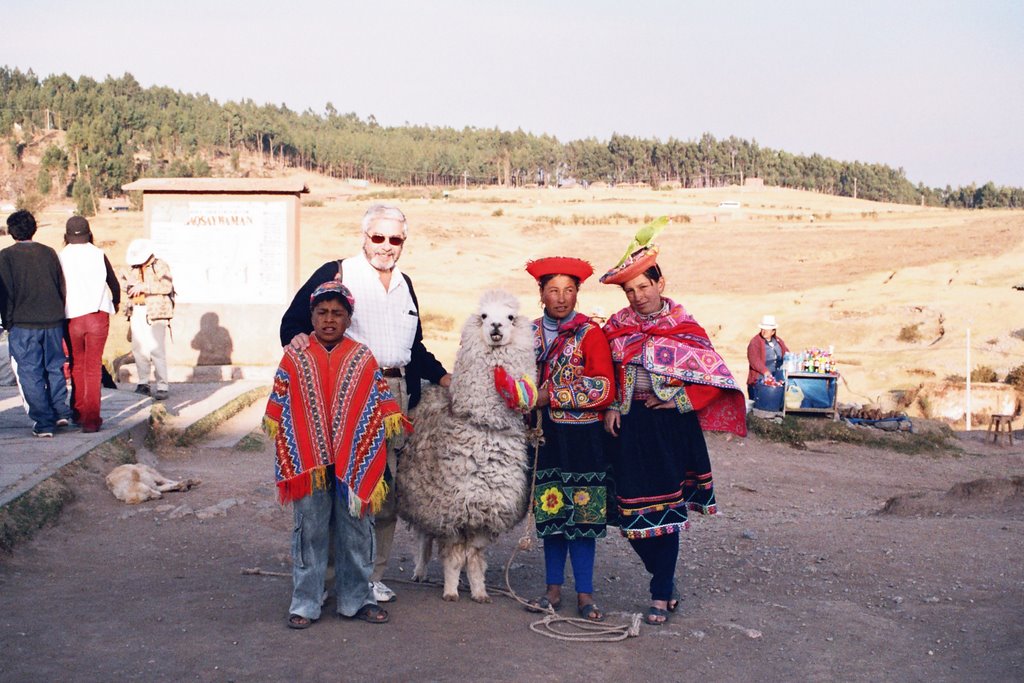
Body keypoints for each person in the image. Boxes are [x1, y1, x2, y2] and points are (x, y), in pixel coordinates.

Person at [279, 204, 451, 604]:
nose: (386, 246)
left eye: (395, 239)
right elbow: (293, 322)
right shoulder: (337, 273)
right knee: (340, 488)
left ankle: (370, 576)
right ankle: (326, 580)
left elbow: (415, 347)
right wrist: (297, 340)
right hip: (346, 395)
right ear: (364, 237)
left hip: (395, 396)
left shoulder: (405, 283)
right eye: (378, 237)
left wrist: (443, 377)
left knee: (382, 490)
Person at [599, 236, 747, 626]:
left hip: (670, 428)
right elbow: (606, 373)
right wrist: (612, 404)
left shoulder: (685, 327)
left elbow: (714, 376)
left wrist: (680, 400)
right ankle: (664, 579)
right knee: (629, 517)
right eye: (630, 290)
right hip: (629, 428)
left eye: (644, 287)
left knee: (665, 510)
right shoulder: (616, 327)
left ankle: (661, 593)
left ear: (660, 284)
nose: (637, 296)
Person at [264, 281, 407, 628]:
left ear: (348, 318)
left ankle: (358, 598)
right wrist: (291, 453)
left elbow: (378, 408)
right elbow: (280, 408)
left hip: (355, 458)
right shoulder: (295, 356)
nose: (329, 320)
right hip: (307, 460)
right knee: (309, 530)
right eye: (322, 313)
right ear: (311, 315)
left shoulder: (362, 357)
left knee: (357, 529)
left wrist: (368, 443)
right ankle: (305, 601)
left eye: (337, 314)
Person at [523, 256, 614, 622]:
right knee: (551, 509)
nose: (561, 298)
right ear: (541, 293)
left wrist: (553, 396)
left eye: (569, 290)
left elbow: (604, 387)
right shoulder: (526, 334)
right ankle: (552, 588)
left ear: (578, 293)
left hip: (583, 438)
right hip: (544, 437)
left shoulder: (590, 334)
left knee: (584, 513)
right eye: (553, 290)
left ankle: (586, 593)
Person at [0, 210, 72, 437]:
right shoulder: (49, 252)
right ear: (34, 228)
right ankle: (60, 410)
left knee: (29, 372)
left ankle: (43, 422)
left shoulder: (6, 256)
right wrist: (59, 312)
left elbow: (5, 293)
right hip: (53, 320)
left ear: (11, 231)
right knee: (54, 366)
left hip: (23, 323)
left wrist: (7, 321)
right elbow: (61, 285)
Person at [59, 217, 120, 433]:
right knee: (93, 367)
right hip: (98, 314)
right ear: (89, 234)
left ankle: (78, 412)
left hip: (72, 317)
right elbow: (113, 283)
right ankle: (92, 420)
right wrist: (116, 303)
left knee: (76, 364)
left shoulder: (61, 257)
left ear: (66, 236)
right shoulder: (98, 254)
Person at [121, 239, 174, 401]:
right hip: (136, 310)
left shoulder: (160, 265)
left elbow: (167, 286)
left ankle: (162, 385)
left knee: (156, 349)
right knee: (139, 348)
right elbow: (125, 284)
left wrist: (145, 287)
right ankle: (143, 382)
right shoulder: (133, 269)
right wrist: (129, 285)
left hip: (155, 312)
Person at [746, 314, 789, 399]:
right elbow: (754, 360)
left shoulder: (778, 341)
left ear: (773, 331)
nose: (764, 332)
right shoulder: (755, 342)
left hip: (777, 377)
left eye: (767, 330)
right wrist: (765, 371)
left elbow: (787, 354)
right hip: (760, 379)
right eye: (762, 329)